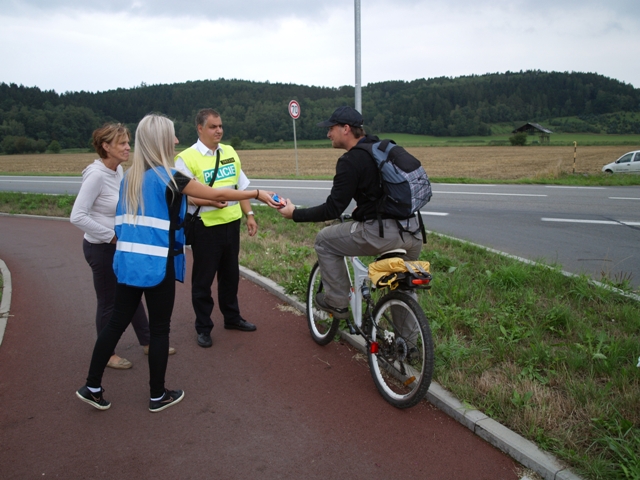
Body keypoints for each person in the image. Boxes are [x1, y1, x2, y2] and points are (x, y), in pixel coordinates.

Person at [76, 113, 280, 412]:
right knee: (160, 330)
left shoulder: (129, 177)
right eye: (171, 135)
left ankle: (92, 385)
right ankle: (157, 395)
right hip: (159, 264)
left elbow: (183, 201)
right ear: (161, 140)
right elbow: (217, 192)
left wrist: (209, 202)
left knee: (115, 323)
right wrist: (257, 194)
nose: (176, 140)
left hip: (128, 262)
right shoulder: (170, 176)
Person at [278, 106, 423, 318]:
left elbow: (333, 208)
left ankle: (336, 302)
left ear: (346, 129)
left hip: (382, 234)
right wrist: (364, 210)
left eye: (331, 128)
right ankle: (408, 347)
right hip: (413, 231)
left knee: (324, 240)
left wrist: (295, 214)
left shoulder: (351, 161)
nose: (328, 134)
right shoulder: (381, 149)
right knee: (402, 288)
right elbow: (382, 191)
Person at [70, 123, 175, 370]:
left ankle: (148, 341)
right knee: (109, 302)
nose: (129, 147)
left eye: (129, 142)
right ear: (106, 147)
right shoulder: (96, 175)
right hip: (102, 248)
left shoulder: (118, 171)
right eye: (122, 143)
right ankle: (108, 354)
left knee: (133, 293)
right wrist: (113, 236)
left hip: (122, 247)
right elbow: (77, 216)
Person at [175, 109, 260, 349]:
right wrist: (210, 201)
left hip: (231, 225)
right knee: (203, 281)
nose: (219, 130)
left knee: (230, 276)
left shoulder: (230, 152)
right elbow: (184, 196)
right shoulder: (186, 158)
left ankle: (232, 318)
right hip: (205, 228)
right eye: (213, 127)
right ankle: (203, 327)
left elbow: (239, 187)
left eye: (220, 126)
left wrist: (249, 215)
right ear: (200, 129)